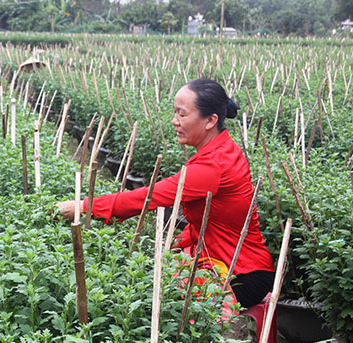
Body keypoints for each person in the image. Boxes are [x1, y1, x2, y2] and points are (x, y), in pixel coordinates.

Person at [57, 78, 274, 308]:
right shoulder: (221, 148)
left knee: (164, 298)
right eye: (175, 113)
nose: (174, 121)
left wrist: (83, 207)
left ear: (211, 120)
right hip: (225, 258)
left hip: (240, 272)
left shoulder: (214, 165)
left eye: (182, 114)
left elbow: (147, 197)